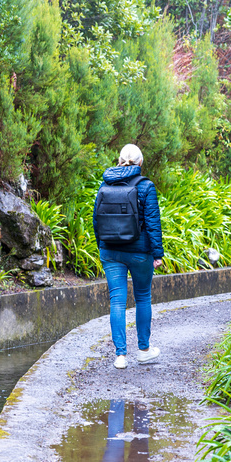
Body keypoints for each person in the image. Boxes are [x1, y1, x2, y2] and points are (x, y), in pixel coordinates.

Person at [93, 144, 164, 369]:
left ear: (119, 159)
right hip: (140, 252)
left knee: (117, 300)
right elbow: (153, 223)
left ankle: (120, 356)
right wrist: (157, 253)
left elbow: (96, 219)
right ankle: (143, 350)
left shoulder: (105, 184)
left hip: (110, 252)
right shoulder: (146, 186)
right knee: (143, 297)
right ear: (140, 162)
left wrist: (102, 247)